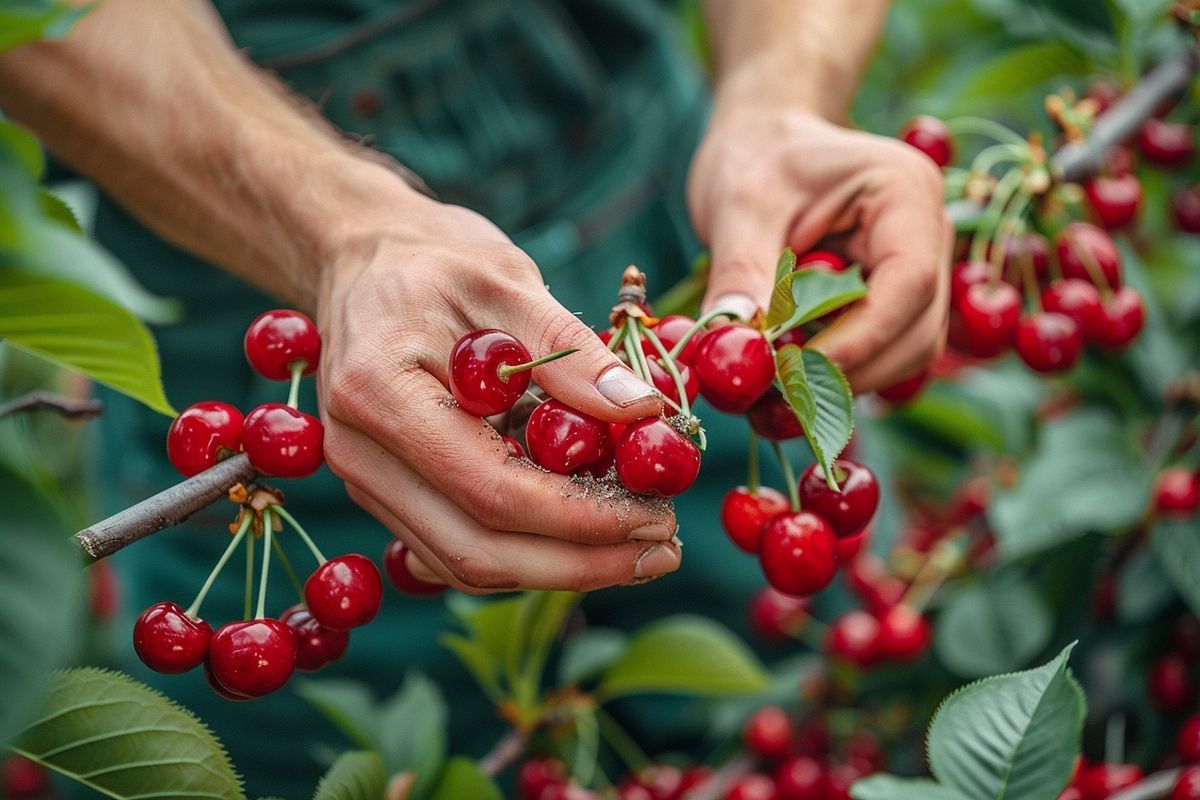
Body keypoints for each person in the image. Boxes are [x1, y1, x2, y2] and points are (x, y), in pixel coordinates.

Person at [0, 1, 951, 795]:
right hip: (310, 353)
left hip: (678, 248)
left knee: (838, 708)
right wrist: (341, 230)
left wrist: (779, 97)